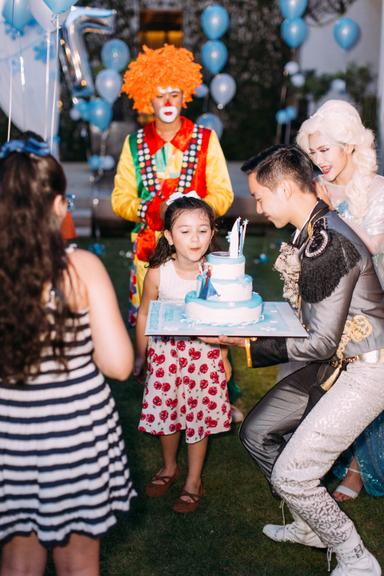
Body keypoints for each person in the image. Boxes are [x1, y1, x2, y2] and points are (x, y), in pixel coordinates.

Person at [203, 145, 384, 575]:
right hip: (335, 364)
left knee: (292, 474)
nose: (258, 206)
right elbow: (310, 319)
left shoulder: (328, 243)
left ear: (285, 188)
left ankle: (356, 557)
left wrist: (244, 344)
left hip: (367, 370)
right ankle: (307, 524)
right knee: (257, 432)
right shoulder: (312, 231)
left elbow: (319, 342)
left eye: (260, 197)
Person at [0, 134, 136, 575]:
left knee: (19, 559)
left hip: (9, 437)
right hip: (76, 436)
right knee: (79, 562)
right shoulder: (82, 269)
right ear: (59, 205)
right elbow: (118, 365)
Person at [297, 99, 384, 501]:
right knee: (332, 382)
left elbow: (371, 246)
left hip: (373, 303)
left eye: (325, 150)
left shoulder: (379, 189)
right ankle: (325, 457)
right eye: (313, 153)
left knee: (365, 385)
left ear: (349, 144)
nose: (319, 160)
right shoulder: (317, 186)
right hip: (333, 300)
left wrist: (332, 211)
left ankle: (356, 473)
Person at [111, 44, 233, 327]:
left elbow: (223, 193)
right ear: (147, 99)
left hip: (195, 248)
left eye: (174, 95)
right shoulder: (134, 144)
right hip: (148, 252)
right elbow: (120, 199)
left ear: (184, 97)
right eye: (159, 95)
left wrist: (193, 211)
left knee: (200, 318)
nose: (167, 103)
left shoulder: (205, 139)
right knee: (151, 319)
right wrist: (154, 209)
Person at [136, 193, 232, 513]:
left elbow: (222, 324)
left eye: (203, 230)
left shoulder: (216, 274)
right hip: (165, 357)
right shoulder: (158, 274)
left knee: (197, 418)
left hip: (203, 358)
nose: (195, 238)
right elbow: (146, 315)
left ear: (212, 233)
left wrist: (224, 357)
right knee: (167, 415)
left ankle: (193, 480)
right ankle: (168, 467)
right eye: (185, 230)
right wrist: (142, 355)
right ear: (168, 236)